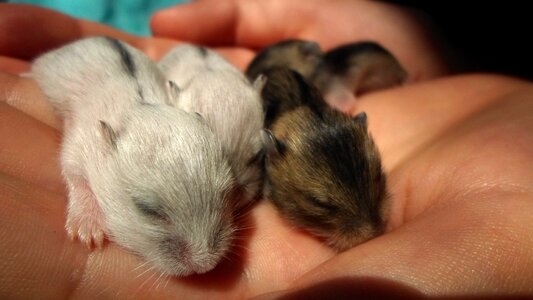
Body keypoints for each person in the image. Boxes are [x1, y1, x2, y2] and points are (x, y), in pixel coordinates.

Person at [0, 1, 532, 298]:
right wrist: (85, 197)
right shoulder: (103, 142)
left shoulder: (220, 116)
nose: (208, 254)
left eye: (231, 185)